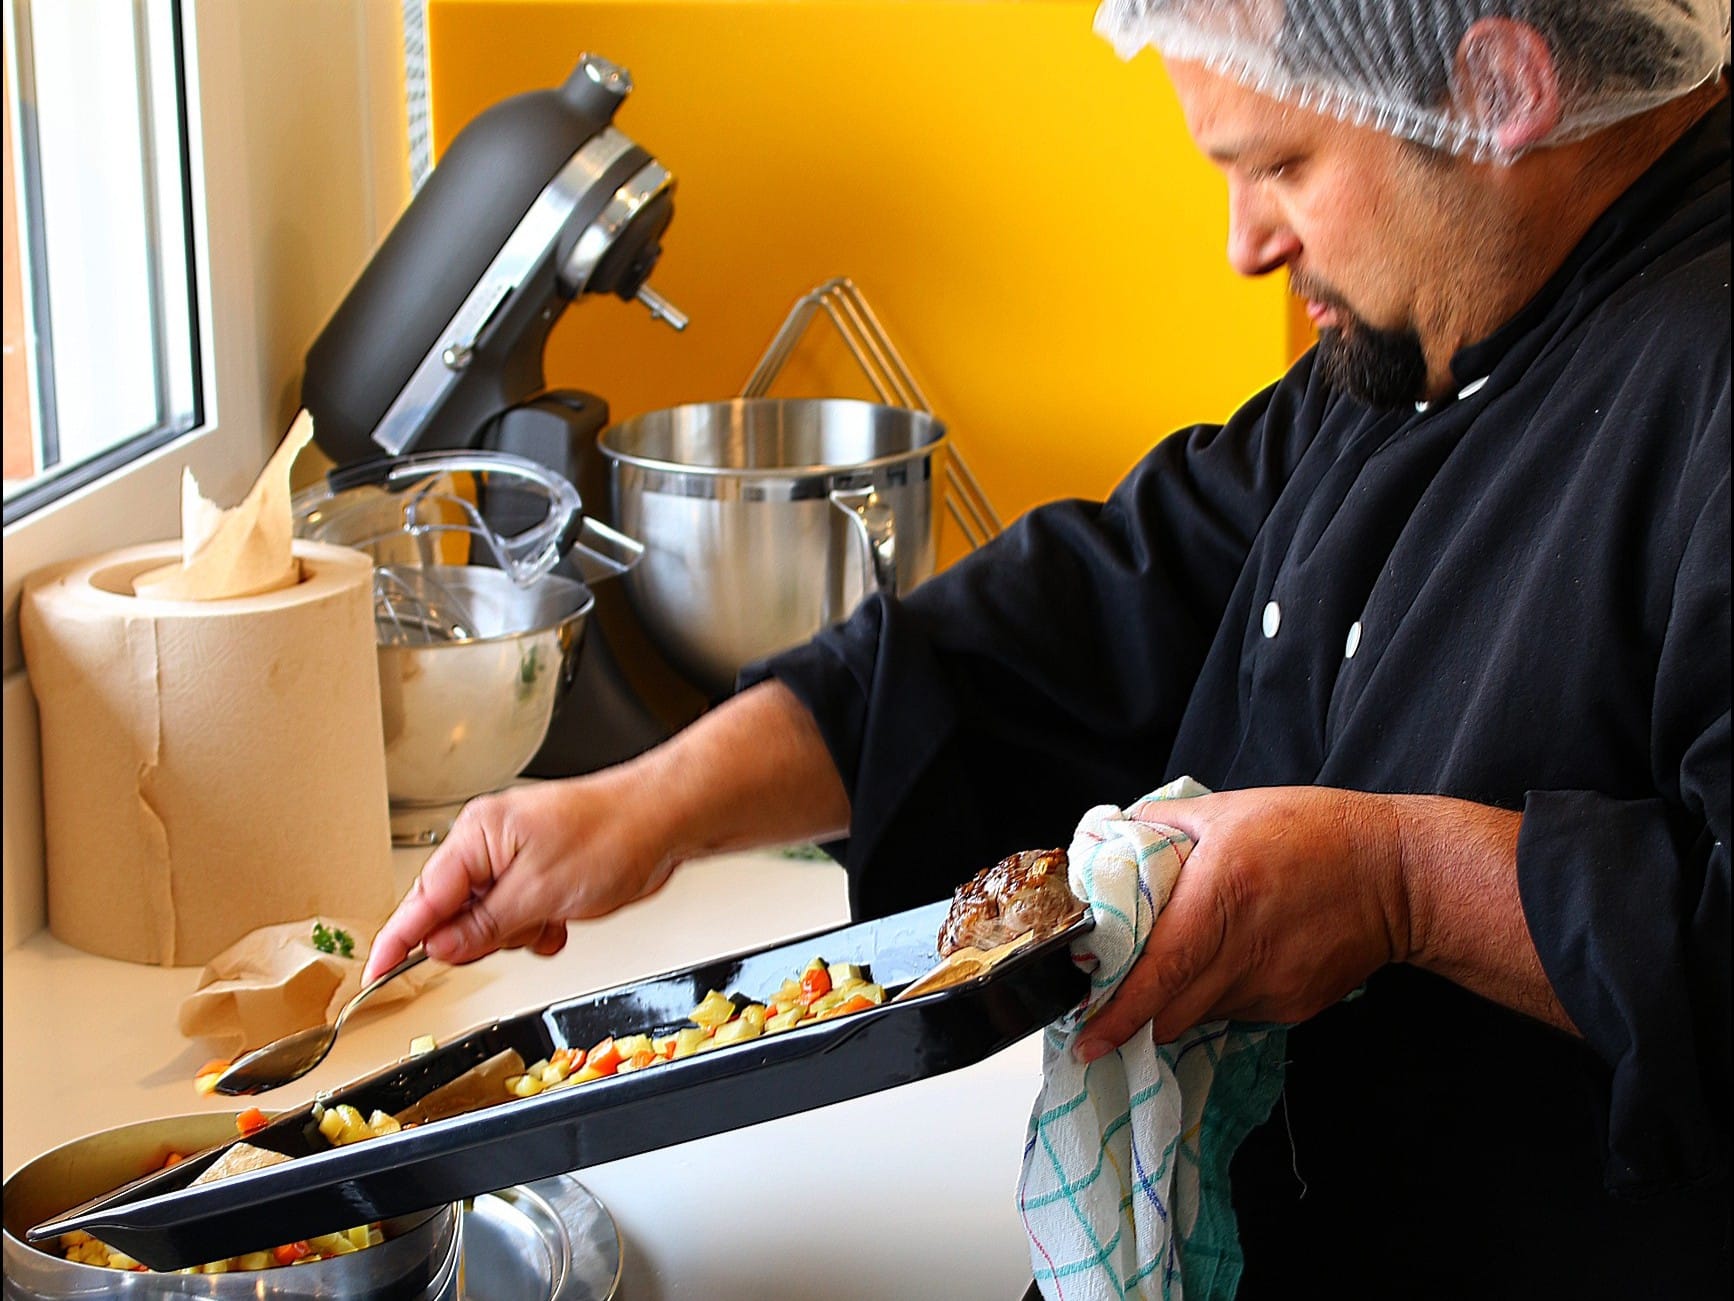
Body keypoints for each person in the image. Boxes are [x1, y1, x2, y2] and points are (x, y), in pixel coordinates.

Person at [366, 1, 1730, 1293]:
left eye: (1281, 165)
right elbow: (1101, 602)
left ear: (1497, 88)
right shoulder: (1459, 309)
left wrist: (1402, 883)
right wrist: (651, 806)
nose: (1245, 245)